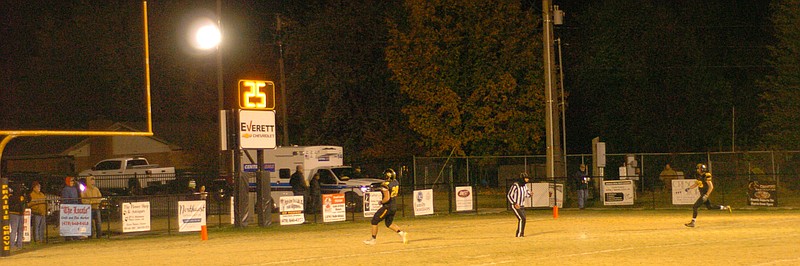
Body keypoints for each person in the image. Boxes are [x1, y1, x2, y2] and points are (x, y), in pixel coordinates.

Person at [363, 168, 408, 245]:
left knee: (374, 220)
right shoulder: (395, 182)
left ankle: (373, 239)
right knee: (389, 223)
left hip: (388, 206)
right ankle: (402, 233)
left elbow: (387, 198)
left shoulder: (385, 185)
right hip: (394, 206)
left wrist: (381, 202)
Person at [684, 163, 732, 228]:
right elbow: (697, 183)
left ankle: (693, 222)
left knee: (695, 206)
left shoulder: (706, 176)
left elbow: (711, 187)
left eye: (698, 169)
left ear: (701, 169)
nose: (697, 170)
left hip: (704, 194)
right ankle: (725, 207)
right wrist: (689, 188)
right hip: (703, 194)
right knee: (710, 207)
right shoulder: (699, 176)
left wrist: (706, 195)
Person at [507, 172, 531, 237]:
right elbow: (509, 195)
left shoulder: (525, 186)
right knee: (522, 218)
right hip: (516, 206)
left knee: (523, 219)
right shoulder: (515, 185)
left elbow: (526, 194)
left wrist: (530, 194)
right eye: (526, 178)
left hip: (522, 205)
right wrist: (514, 203)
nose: (527, 180)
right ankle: (520, 234)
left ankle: (520, 233)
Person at [61, 176, 81, 241]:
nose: (72, 182)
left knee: (75, 222)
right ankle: (68, 236)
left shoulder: (74, 189)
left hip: (74, 207)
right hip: (69, 208)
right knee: (69, 222)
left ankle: (75, 235)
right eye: (71, 181)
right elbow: (65, 199)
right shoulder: (66, 189)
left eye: (73, 181)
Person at [9, 183, 26, 250]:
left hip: (17, 213)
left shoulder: (11, 196)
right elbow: (23, 202)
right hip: (16, 213)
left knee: (17, 230)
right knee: (16, 230)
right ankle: (13, 245)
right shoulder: (18, 197)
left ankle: (18, 245)